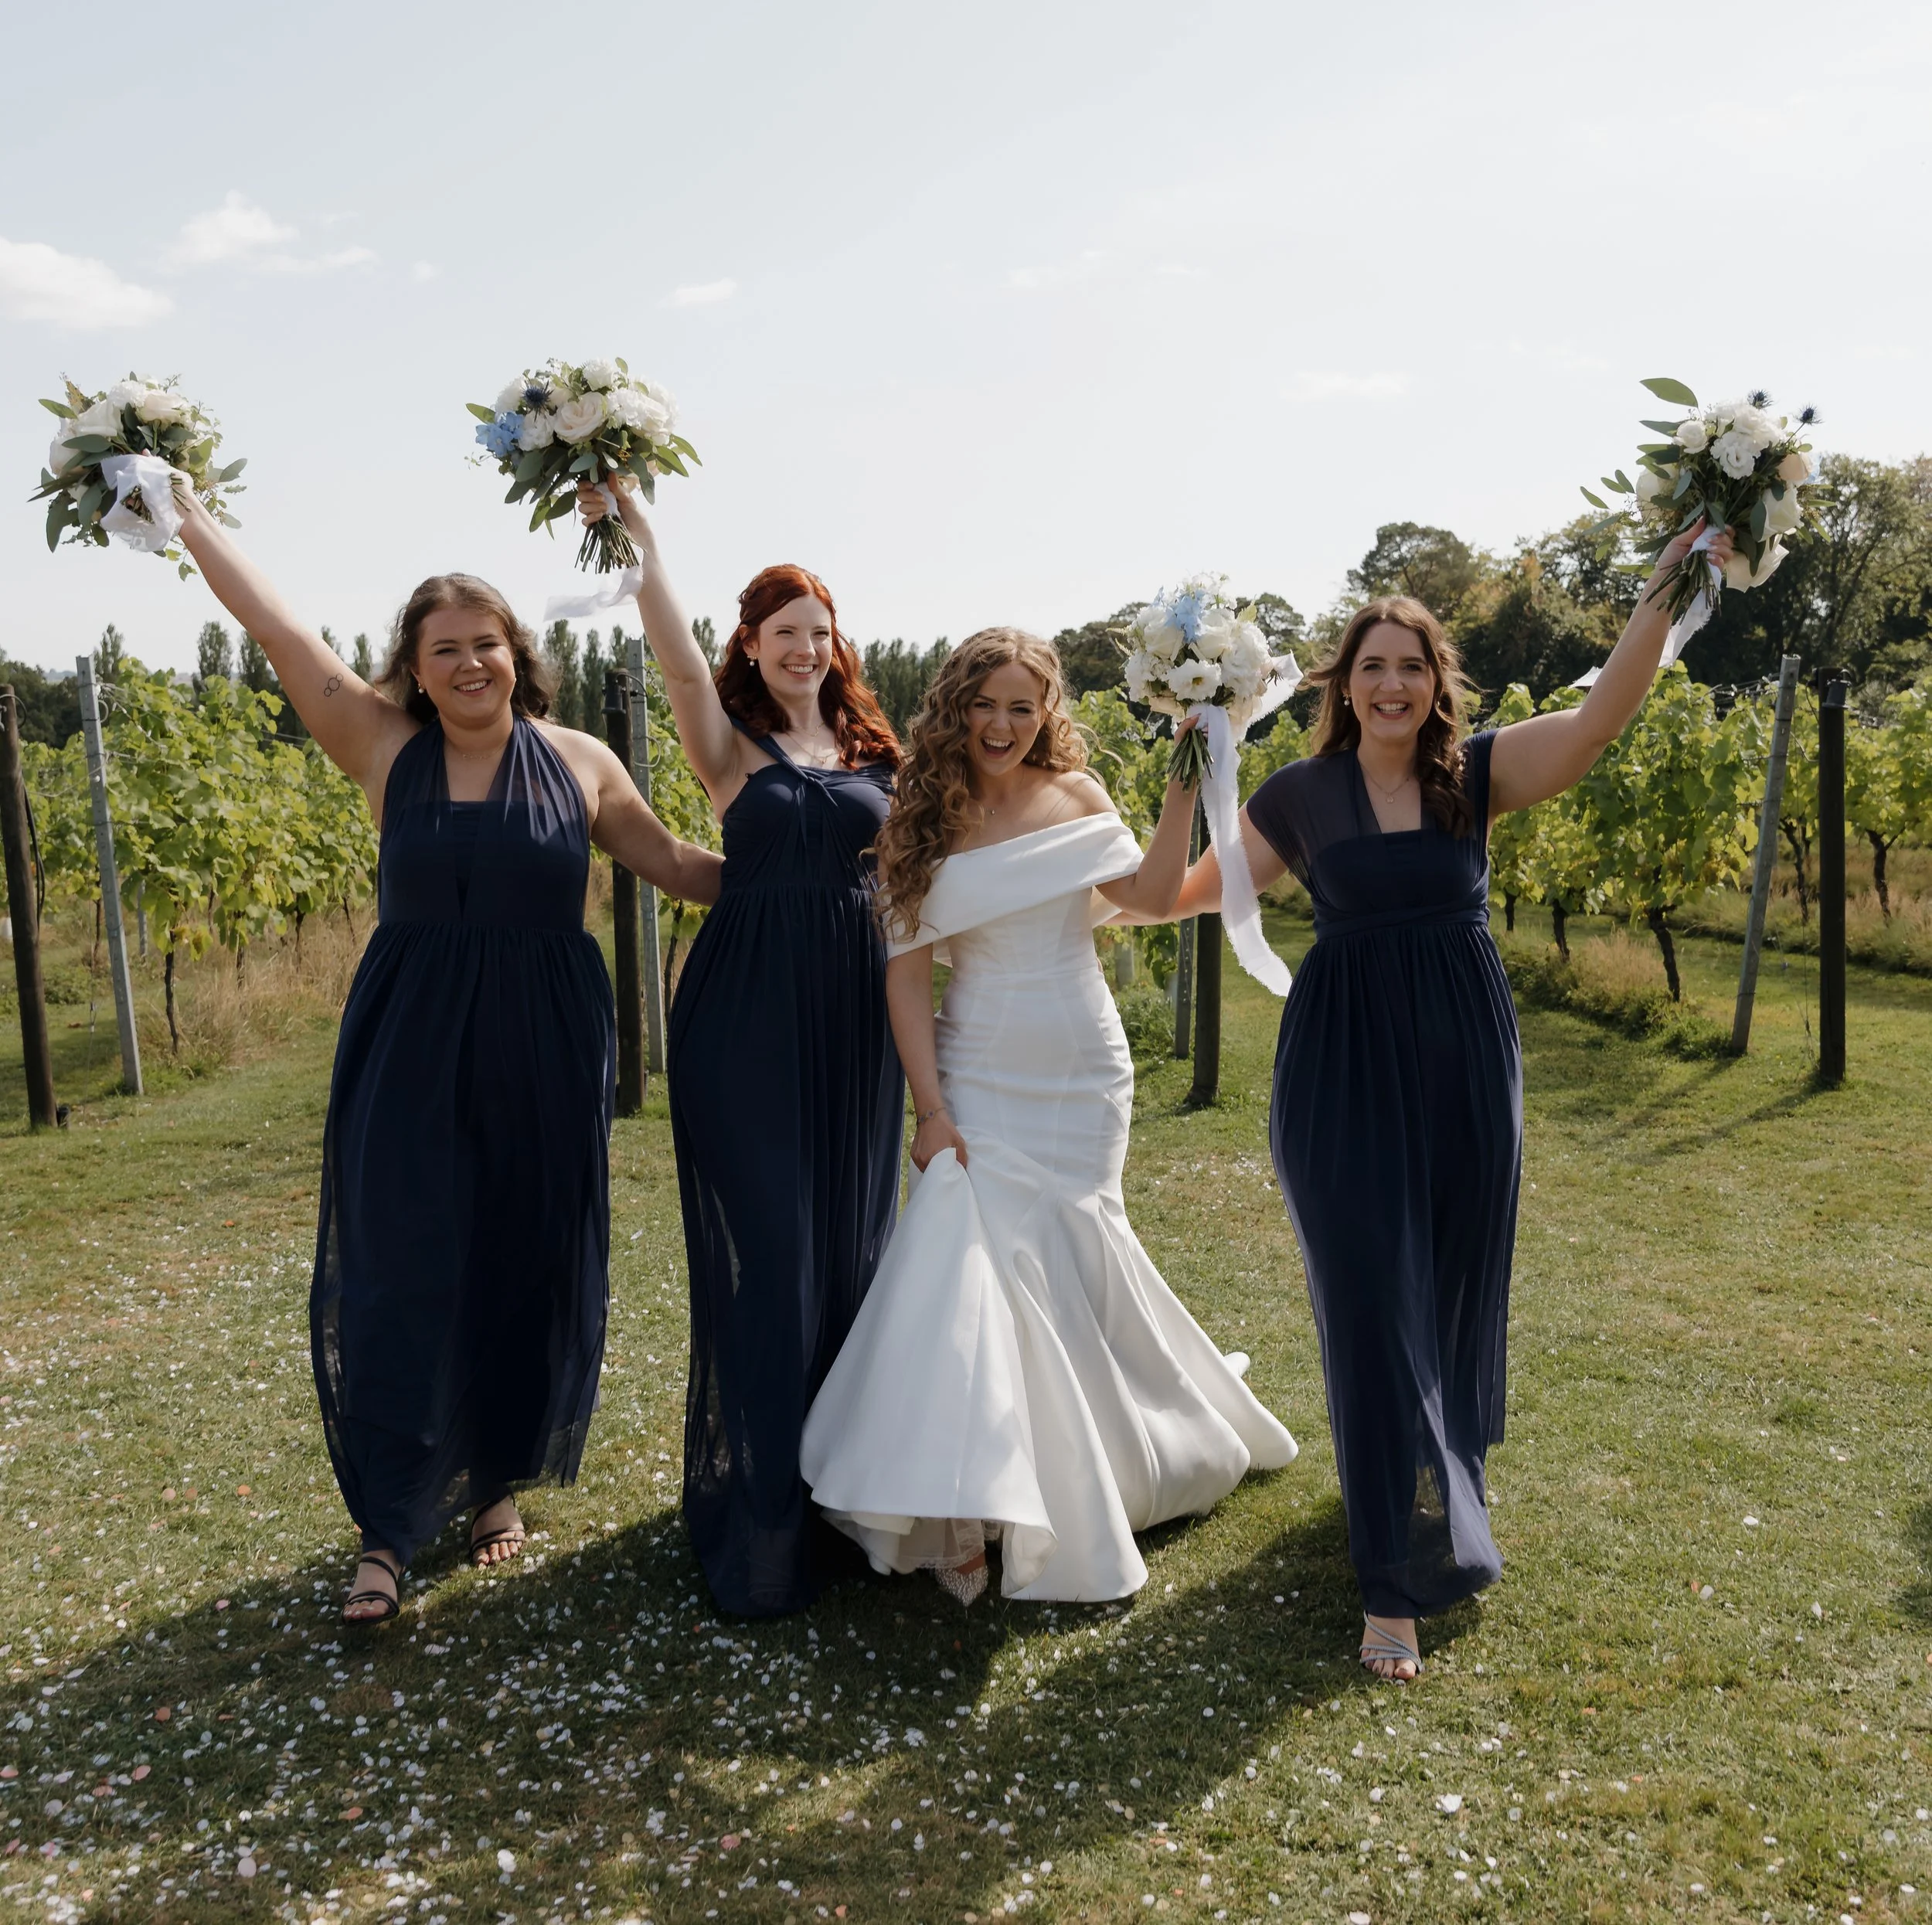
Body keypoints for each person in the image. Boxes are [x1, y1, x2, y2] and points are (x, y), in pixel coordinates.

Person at [1155, 519, 1736, 1678]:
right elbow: (1173, 892)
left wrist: (1667, 585)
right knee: (1371, 1294)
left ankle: (1435, 1472)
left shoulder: (1475, 775)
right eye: (1371, 664)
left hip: (1468, 1060)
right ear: (1342, 683)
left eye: (1412, 664)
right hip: (1341, 1068)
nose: (1391, 682)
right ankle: (1392, 1584)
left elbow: (1601, 715)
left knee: (1458, 1279)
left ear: (1437, 683)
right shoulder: (1298, 794)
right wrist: (1190, 760)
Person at [172, 485, 723, 1624]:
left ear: (519, 654)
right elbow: (275, 627)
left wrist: (815, 857)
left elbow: (675, 863)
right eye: (445, 649)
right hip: (411, 1041)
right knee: (402, 1263)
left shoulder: (581, 763)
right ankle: (386, 1530)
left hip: (548, 1042)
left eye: (488, 643)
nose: (471, 663)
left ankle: (491, 1487)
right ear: (412, 670)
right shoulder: (380, 746)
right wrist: (183, 514)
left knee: (521, 1253)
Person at [796, 628, 1298, 1604]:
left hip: (1080, 1066)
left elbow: (1153, 894)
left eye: (1022, 706)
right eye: (984, 703)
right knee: (967, 1263)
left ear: (1047, 711)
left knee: (1071, 1256)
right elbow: (904, 980)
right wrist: (930, 1108)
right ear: (955, 708)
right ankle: (959, 1500)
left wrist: (1186, 778)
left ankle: (1090, 1466)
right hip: (977, 1065)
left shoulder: (1077, 797)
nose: (1001, 723)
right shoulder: (918, 814)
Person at [578, 479, 905, 1617]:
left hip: (859, 1022)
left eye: (819, 631)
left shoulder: (883, 757)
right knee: (770, 1261)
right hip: (745, 1019)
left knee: (853, 1260)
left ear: (836, 643)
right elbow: (670, 659)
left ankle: (851, 1502)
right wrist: (644, 546)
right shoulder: (732, 747)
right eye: (783, 634)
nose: (804, 649)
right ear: (753, 647)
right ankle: (762, 1517)